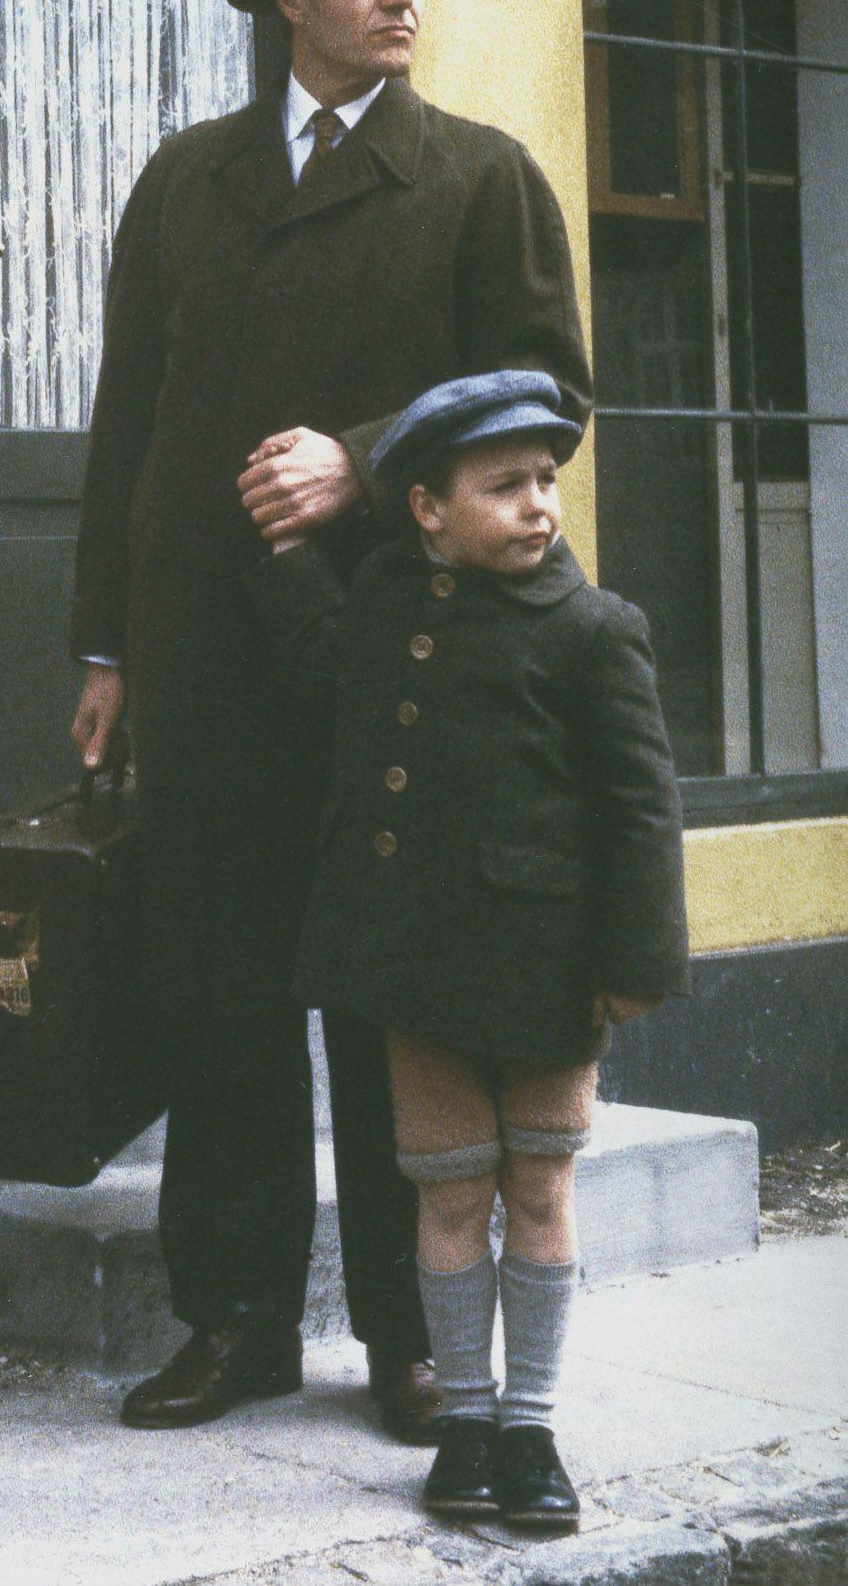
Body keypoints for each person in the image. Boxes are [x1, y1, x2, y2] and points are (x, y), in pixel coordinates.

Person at [68, 0, 593, 1438]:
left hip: (399, 653)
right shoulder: (183, 180)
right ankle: (230, 1322)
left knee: (383, 992)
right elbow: (125, 429)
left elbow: (546, 398)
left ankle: (407, 1338)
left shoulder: (479, 175)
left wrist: (366, 458)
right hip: (206, 660)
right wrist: (102, 648)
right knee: (219, 988)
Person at [249, 371, 690, 1531]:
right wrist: (281, 557)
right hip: (420, 968)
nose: (538, 503)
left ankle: (533, 1425)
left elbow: (642, 811)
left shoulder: (596, 628)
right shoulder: (394, 606)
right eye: (503, 485)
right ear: (426, 508)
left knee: (537, 1186)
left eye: (546, 479)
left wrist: (636, 959)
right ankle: (468, 1421)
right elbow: (325, 670)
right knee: (445, 1197)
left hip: (549, 967)